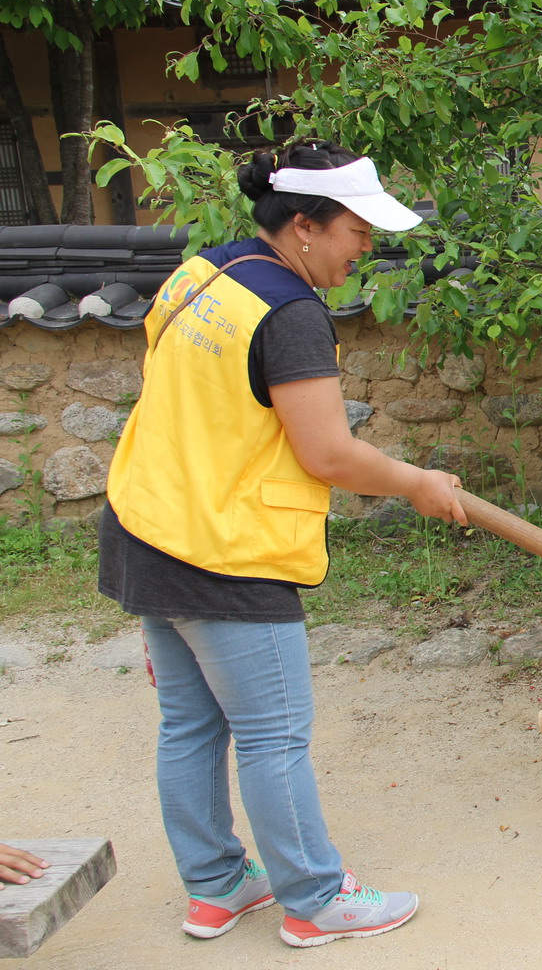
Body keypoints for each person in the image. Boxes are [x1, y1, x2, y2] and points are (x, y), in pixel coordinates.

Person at [98, 141, 466, 948]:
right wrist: (417, 482)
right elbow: (328, 453)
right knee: (272, 734)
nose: (366, 246)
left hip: (147, 529)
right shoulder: (291, 314)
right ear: (304, 225)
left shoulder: (204, 275)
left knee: (190, 726)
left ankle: (216, 886)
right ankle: (315, 898)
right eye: (356, 229)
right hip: (226, 552)